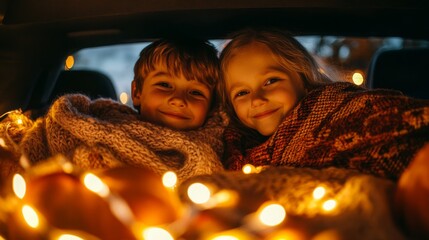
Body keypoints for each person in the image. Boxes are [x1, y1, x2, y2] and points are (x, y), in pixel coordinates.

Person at [218, 28, 429, 237]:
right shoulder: (237, 152)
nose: (256, 99)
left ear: (302, 77)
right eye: (242, 92)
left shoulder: (337, 104)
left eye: (271, 81)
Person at [0, 38, 227, 182]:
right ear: (137, 93)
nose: (178, 100)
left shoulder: (219, 149)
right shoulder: (100, 121)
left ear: (212, 105)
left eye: (196, 92)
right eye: (164, 85)